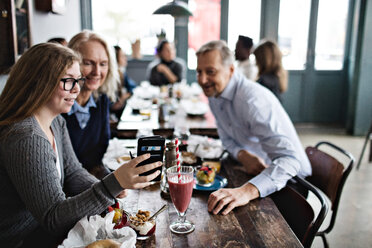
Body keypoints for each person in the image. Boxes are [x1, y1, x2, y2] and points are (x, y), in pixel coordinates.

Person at [0, 43, 162, 247]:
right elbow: (53, 219)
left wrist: (108, 189)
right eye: (69, 81)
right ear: (39, 82)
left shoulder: (55, 121)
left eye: (79, 80)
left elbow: (73, 171)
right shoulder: (26, 136)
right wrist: (112, 184)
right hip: (20, 240)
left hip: (38, 232)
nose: (77, 88)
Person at [195, 40, 311, 215]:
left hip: (292, 183)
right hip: (256, 172)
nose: (202, 80)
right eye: (199, 72)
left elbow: (290, 160)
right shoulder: (214, 94)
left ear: (231, 70)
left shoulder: (252, 100)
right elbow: (226, 138)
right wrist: (242, 154)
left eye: (210, 72)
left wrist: (245, 191)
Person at [62, 30, 119, 179]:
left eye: (103, 64)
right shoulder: (58, 105)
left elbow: (96, 162)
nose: (97, 72)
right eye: (88, 63)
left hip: (89, 185)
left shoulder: (102, 100)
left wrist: (114, 180)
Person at [110, 45, 137, 120]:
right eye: (122, 56)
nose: (125, 59)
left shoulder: (121, 72)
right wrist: (123, 97)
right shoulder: (112, 77)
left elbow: (132, 86)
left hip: (120, 109)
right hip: (114, 115)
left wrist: (126, 95)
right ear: (115, 59)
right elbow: (113, 106)